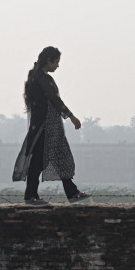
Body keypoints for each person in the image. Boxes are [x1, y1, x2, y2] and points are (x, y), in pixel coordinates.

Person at [12, 46, 91, 205]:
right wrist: (71, 116)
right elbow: (55, 100)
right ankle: (33, 195)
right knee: (43, 161)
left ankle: (69, 192)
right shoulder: (43, 78)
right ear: (49, 61)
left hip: (44, 126)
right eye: (56, 62)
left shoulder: (36, 77)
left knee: (53, 158)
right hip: (46, 127)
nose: (57, 66)